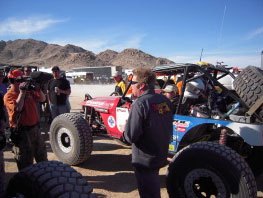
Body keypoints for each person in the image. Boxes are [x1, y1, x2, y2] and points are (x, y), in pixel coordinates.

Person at [123, 67, 173, 198]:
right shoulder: (164, 100)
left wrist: (125, 129)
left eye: (133, 83)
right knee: (153, 184)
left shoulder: (140, 104)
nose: (131, 87)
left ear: (142, 85)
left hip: (144, 159)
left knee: (147, 192)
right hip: (160, 153)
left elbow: (130, 136)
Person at [3, 69, 48, 171]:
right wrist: (22, 93)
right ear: (12, 81)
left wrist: (38, 89)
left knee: (42, 157)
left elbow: (43, 99)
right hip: (22, 133)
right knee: (25, 163)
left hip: (35, 129)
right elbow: (18, 108)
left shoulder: (29, 91)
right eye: (18, 80)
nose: (21, 82)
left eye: (22, 80)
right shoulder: (8, 96)